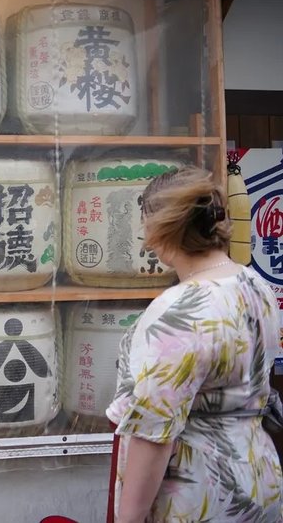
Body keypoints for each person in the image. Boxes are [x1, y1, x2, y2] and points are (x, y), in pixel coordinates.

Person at [106, 166, 283, 523]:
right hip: (258, 476)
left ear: (161, 227)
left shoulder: (180, 309)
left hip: (199, 490)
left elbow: (154, 432)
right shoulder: (255, 286)